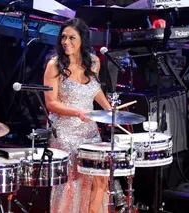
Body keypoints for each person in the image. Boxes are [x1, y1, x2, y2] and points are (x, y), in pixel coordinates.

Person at [43, 18, 112, 213]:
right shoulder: (54, 65)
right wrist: (77, 112)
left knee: (99, 174)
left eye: (72, 38)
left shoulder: (94, 61)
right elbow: (51, 103)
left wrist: (109, 110)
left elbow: (93, 90)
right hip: (64, 132)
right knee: (74, 177)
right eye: (63, 37)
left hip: (89, 130)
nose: (66, 42)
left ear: (83, 40)